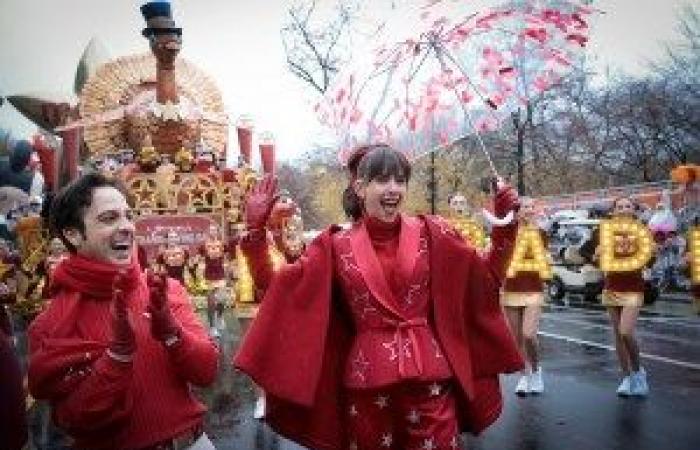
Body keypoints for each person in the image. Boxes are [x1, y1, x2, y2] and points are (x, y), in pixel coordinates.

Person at [234, 144, 523, 450]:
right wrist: (254, 233)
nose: (394, 189)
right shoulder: (334, 245)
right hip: (365, 384)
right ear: (360, 187)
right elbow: (276, 287)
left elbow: (487, 277)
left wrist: (506, 228)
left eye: (400, 180)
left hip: (431, 380)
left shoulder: (434, 232)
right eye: (383, 180)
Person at [27, 172, 219, 450]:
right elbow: (75, 419)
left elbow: (206, 372)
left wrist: (173, 334)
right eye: (109, 218)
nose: (127, 226)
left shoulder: (165, 290)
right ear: (72, 234)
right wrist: (117, 356)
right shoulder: (49, 324)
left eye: (128, 216)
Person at [581, 195, 650, 397]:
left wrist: (649, 260)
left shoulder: (642, 231)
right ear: (614, 210)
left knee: (626, 331)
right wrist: (596, 255)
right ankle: (626, 377)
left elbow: (650, 257)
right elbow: (587, 252)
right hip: (612, 286)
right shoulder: (603, 231)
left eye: (627, 206)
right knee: (618, 336)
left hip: (633, 286)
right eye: (619, 206)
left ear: (633, 209)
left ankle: (638, 372)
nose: (623, 209)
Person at [501, 197, 547, 395]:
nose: (529, 210)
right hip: (511, 287)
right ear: (517, 212)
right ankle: (523, 375)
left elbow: (542, 253)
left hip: (533, 287)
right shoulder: (507, 233)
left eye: (531, 207)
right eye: (524, 207)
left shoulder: (541, 232)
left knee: (529, 334)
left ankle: (536, 371)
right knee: (517, 338)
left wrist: (536, 227)